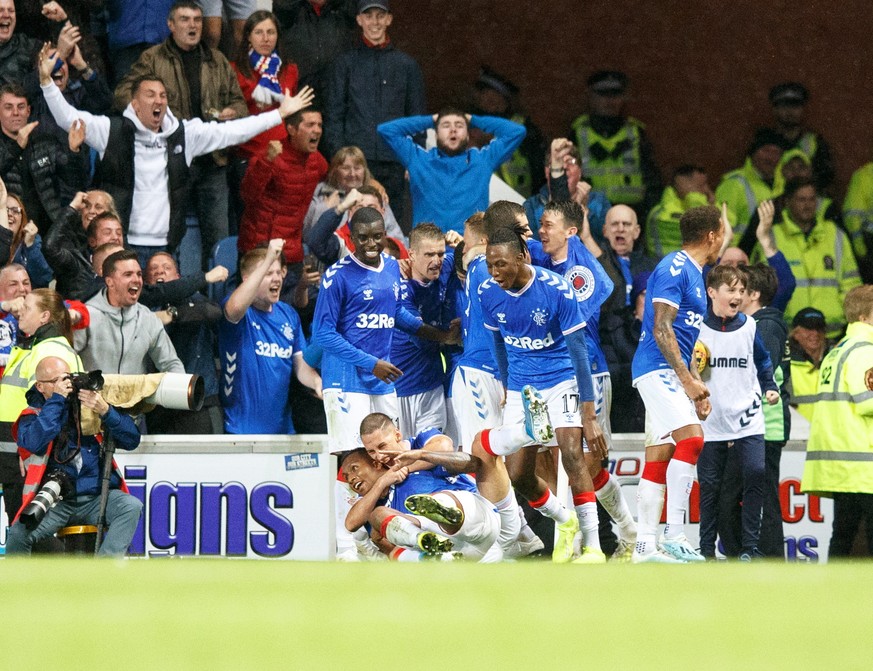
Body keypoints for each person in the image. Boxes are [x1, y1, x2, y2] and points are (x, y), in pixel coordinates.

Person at [38, 44, 315, 264]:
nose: (158, 100)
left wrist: (279, 114)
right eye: (150, 95)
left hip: (166, 248)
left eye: (162, 95)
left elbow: (235, 131)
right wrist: (46, 82)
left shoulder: (185, 134)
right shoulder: (110, 130)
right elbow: (68, 118)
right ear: (134, 103)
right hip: (121, 244)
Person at [478, 226, 608, 563]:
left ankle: (593, 546)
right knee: (519, 473)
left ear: (522, 257)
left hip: (562, 378)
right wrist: (508, 386)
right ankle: (564, 520)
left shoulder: (557, 290)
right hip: (523, 387)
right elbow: (498, 344)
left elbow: (579, 351)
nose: (495, 273)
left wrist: (588, 412)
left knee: (571, 454)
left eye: (501, 265)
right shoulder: (488, 293)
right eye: (490, 265)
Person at [528, 200, 638, 558]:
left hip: (588, 370)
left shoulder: (582, 271)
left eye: (548, 225)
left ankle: (621, 530)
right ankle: (589, 538)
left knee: (588, 462)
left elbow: (592, 300)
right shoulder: (543, 259)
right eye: (539, 225)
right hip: (551, 373)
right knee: (555, 460)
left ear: (570, 232)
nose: (541, 231)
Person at [113, 1, 251, 269]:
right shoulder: (152, 58)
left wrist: (232, 112)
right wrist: (156, 112)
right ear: (170, 25)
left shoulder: (217, 60)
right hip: (171, 162)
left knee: (218, 239)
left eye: (198, 20)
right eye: (185, 19)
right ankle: (167, 291)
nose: (193, 25)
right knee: (169, 236)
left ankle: (217, 299)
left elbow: (240, 104)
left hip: (213, 162)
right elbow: (122, 96)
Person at [314, 207, 456, 452]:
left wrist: (441, 336)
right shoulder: (337, 276)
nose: (371, 243)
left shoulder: (391, 267)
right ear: (351, 237)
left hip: (382, 380)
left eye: (377, 236)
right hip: (346, 380)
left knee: (391, 452)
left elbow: (397, 313)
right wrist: (371, 363)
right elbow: (322, 334)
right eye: (363, 237)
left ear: (385, 234)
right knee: (355, 456)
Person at [630, 205, 727, 563]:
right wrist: (687, 381)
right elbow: (660, 327)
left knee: (660, 454)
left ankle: (643, 547)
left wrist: (696, 382)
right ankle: (674, 533)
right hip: (656, 370)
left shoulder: (695, 272)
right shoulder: (675, 266)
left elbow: (683, 340)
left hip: (671, 371)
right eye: (723, 230)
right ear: (712, 236)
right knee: (693, 439)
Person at [346, 405, 554, 561]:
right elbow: (351, 524)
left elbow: (452, 452)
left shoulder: (422, 446)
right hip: (462, 550)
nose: (380, 455)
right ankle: (432, 549)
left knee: (480, 448)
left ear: (398, 435)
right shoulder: (376, 501)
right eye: (372, 452)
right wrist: (385, 480)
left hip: (489, 520)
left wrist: (414, 461)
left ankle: (529, 431)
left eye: (382, 446)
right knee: (379, 517)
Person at [6, 355, 142, 556]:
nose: (65, 385)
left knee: (131, 506)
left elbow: (132, 440)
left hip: (97, 497)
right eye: (56, 381)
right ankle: (18, 586)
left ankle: (105, 574)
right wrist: (57, 400)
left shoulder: (89, 410)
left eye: (67, 378)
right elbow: (34, 441)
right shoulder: (33, 414)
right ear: (40, 387)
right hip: (57, 500)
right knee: (18, 534)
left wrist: (106, 411)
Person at [695, 264, 780, 560]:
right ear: (711, 292)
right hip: (711, 420)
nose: (738, 296)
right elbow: (692, 371)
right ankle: (705, 550)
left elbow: (764, 359)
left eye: (742, 291)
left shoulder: (749, 326)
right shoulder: (698, 329)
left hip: (748, 417)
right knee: (710, 487)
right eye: (731, 290)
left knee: (756, 472)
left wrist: (769, 385)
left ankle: (749, 548)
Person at [324, 0, 425, 226]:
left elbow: (416, 118)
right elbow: (334, 115)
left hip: (395, 160)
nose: (375, 22)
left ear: (389, 19)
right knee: (355, 223)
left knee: (393, 226)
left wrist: (414, 160)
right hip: (357, 163)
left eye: (380, 15)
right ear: (359, 20)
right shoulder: (345, 63)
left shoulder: (407, 65)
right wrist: (339, 158)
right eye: (368, 16)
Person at [718, 262, 790, 558]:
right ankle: (748, 557)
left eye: (742, 289)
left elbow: (761, 376)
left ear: (755, 294)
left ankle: (766, 559)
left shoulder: (767, 326)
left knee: (757, 500)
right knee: (739, 498)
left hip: (762, 428)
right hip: (755, 426)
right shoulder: (757, 325)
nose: (737, 295)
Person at [219, 239, 322, 434]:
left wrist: (317, 382)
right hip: (241, 429)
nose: (276, 279)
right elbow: (234, 308)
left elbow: (301, 367)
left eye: (278, 273)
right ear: (248, 278)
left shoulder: (289, 315)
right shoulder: (240, 311)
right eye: (267, 274)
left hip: (282, 431)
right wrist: (268, 259)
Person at [0, 288, 84, 519]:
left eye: (27, 308)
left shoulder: (49, 351)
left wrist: (28, 450)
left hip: (31, 454)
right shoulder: (38, 348)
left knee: (31, 529)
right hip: (19, 452)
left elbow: (48, 406)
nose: (20, 313)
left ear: (44, 317)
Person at [802, 285, 873, 558]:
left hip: (843, 465)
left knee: (843, 535)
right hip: (863, 465)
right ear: (867, 315)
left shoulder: (837, 351)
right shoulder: (865, 351)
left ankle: (833, 592)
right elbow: (867, 401)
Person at [377, 107, 526, 234]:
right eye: (446, 125)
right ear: (435, 134)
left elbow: (516, 132)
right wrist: (430, 120)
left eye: (460, 125)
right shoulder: (418, 160)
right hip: (428, 248)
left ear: (468, 135)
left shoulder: (482, 160)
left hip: (470, 249)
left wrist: (473, 119)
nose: (453, 129)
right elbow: (386, 130)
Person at [753, 177, 861, 338]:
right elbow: (761, 288)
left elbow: (851, 283)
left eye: (812, 199)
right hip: (789, 333)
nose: (808, 205)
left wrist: (844, 315)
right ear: (787, 201)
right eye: (801, 199)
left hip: (831, 332)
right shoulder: (771, 237)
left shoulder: (836, 235)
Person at [144, 251, 223, 434]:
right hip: (160, 402)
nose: (160, 272)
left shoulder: (195, 301)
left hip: (199, 399)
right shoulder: (143, 309)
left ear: (178, 277)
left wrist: (173, 315)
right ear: (147, 283)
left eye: (166, 267)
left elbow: (213, 312)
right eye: (153, 270)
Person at [239, 108, 328, 269]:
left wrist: (371, 182)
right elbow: (247, 196)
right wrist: (266, 161)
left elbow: (339, 176)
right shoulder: (268, 155)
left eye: (319, 125)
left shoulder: (316, 160)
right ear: (291, 129)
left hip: (293, 252)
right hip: (260, 251)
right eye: (310, 125)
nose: (317, 130)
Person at [568, 71, 661, 222]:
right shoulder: (578, 134)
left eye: (615, 95)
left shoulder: (636, 133)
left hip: (632, 215)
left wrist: (646, 212)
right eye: (603, 95)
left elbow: (652, 179)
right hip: (592, 215)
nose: (609, 101)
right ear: (591, 97)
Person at [75, 249, 184, 375]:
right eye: (128, 274)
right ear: (110, 282)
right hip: (92, 394)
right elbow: (66, 358)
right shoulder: (86, 316)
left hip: (137, 394)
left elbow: (171, 363)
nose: (136, 279)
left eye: (139, 274)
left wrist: (181, 389)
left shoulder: (147, 318)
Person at [391, 223, 453, 436]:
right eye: (429, 254)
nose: (436, 261)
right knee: (401, 457)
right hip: (400, 390)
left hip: (432, 387)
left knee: (436, 448)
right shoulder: (401, 290)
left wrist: (463, 243)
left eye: (440, 253)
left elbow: (477, 250)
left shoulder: (446, 267)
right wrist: (449, 337)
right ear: (412, 255)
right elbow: (421, 335)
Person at [0, 82, 86, 233]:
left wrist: (74, 151)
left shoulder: (45, 141)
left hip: (49, 229)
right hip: (9, 230)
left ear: (28, 111)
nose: (15, 113)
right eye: (8, 107)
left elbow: (75, 181)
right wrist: (16, 148)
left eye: (20, 107)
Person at [230, 10, 298, 163]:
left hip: (282, 153)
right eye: (259, 32)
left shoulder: (289, 70)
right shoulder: (234, 69)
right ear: (248, 36)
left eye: (271, 32)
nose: (265, 38)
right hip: (247, 152)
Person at [470, 66, 546, 200]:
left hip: (519, 205)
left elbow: (539, 172)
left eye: (487, 93)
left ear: (502, 98)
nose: (481, 97)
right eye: (480, 93)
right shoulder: (470, 125)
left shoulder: (524, 130)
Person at [302, 146, 403, 242]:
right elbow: (307, 235)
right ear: (335, 171)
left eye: (357, 168)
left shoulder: (375, 196)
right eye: (345, 168)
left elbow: (397, 239)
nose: (352, 173)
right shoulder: (320, 193)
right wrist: (325, 209)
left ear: (365, 171)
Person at [524, 138, 610, 242]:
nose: (564, 167)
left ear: (580, 171)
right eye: (557, 163)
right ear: (547, 171)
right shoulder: (532, 206)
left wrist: (584, 211)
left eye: (570, 162)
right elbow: (533, 247)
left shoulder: (599, 202)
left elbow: (606, 246)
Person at [715, 128, 787, 245]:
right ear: (753, 153)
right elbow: (721, 229)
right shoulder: (735, 183)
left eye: (776, 153)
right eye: (766, 151)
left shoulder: (784, 185)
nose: (771, 158)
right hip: (740, 258)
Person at [273, 0, 357, 97]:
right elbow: (282, 6)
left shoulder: (344, 9)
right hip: (298, 97)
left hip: (337, 96)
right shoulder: (288, 10)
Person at [767, 83, 834, 194]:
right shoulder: (764, 142)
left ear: (803, 109)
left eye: (795, 106)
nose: (790, 111)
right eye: (784, 106)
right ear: (775, 109)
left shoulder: (815, 142)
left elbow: (825, 179)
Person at [646, 164, 715, 258]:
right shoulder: (661, 213)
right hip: (664, 268)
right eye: (701, 185)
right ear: (684, 184)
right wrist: (693, 196)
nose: (706, 189)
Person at [788, 307, 829, 423]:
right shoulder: (784, 364)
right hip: (798, 435)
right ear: (795, 333)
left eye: (819, 328)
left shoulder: (835, 359)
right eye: (808, 328)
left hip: (830, 436)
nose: (815, 333)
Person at [3, 192, 52, 287]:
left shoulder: (32, 239)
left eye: (15, 210)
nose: (9, 214)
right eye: (5, 209)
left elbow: (44, 279)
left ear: (22, 218)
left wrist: (30, 245)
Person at [842, 160, 873, 283]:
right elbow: (853, 214)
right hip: (870, 243)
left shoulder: (864, 175)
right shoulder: (864, 176)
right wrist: (859, 244)